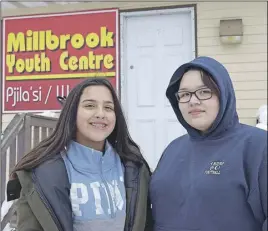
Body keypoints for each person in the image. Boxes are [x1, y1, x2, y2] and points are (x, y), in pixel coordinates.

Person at [7, 78, 153, 231]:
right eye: (90, 105)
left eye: (109, 108)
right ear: (72, 112)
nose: (101, 114)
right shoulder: (42, 175)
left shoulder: (135, 168)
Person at [149, 56, 267, 231]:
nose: (193, 101)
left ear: (224, 93)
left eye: (204, 91)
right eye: (185, 94)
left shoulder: (257, 146)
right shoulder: (173, 149)